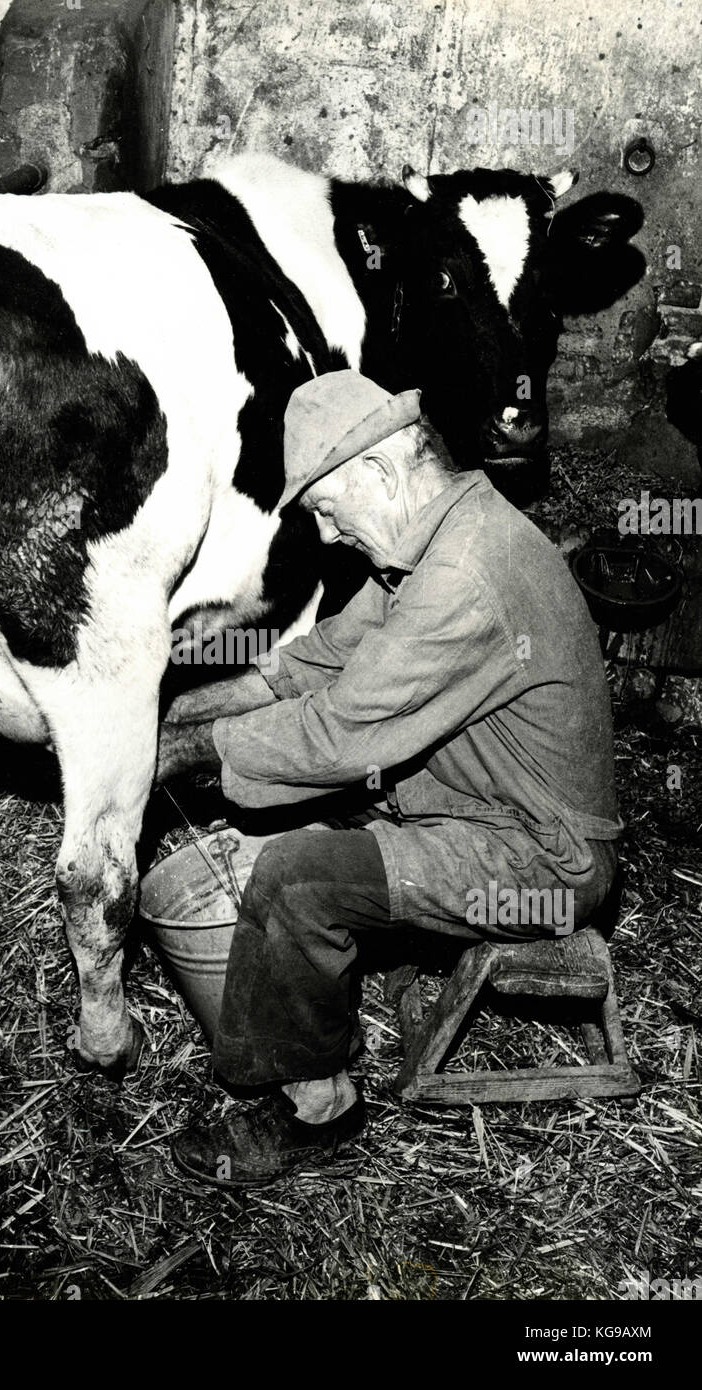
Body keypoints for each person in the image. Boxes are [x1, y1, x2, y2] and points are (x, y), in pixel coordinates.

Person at [157, 369, 622, 1189]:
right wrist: (167, 717)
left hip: (538, 861)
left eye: (328, 510)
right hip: (465, 803)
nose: (330, 536)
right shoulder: (432, 546)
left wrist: (180, 757)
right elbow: (311, 666)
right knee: (282, 821)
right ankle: (309, 1023)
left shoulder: (466, 575)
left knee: (300, 880)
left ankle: (318, 1108)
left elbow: (342, 728)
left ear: (376, 472)